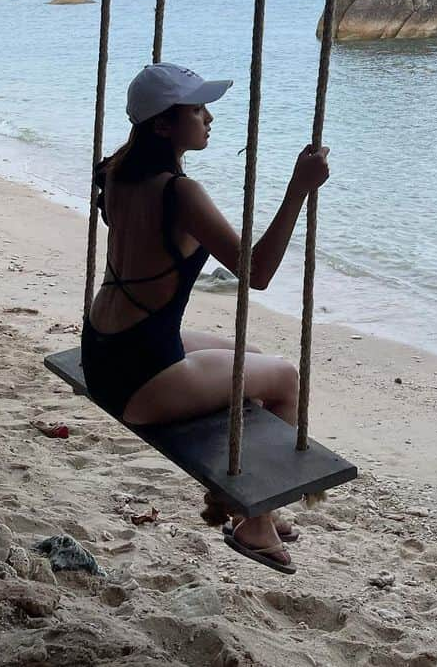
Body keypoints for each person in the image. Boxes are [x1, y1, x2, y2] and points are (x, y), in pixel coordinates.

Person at [81, 62, 330, 573]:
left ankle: (237, 496)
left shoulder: (116, 170)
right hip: (141, 378)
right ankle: (254, 522)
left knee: (253, 359)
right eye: (196, 110)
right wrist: (298, 189)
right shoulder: (180, 193)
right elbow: (256, 273)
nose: (209, 117)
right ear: (163, 125)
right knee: (284, 377)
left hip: (105, 348)